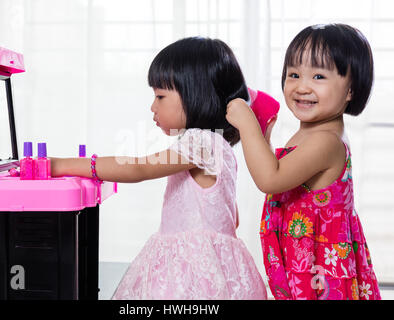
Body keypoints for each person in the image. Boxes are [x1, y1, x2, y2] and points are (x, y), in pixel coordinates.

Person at [51, 37, 267, 300]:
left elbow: (139, 168)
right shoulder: (218, 144)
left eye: (160, 96)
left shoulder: (201, 141)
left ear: (195, 93)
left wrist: (61, 165)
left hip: (192, 275)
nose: (153, 107)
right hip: (217, 267)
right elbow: (231, 218)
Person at [226, 23, 381, 300]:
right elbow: (286, 177)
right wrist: (264, 139)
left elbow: (270, 179)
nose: (301, 86)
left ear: (351, 90)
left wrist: (247, 125)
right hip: (304, 265)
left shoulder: (325, 141)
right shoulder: (314, 132)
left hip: (321, 277)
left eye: (318, 76)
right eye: (294, 74)